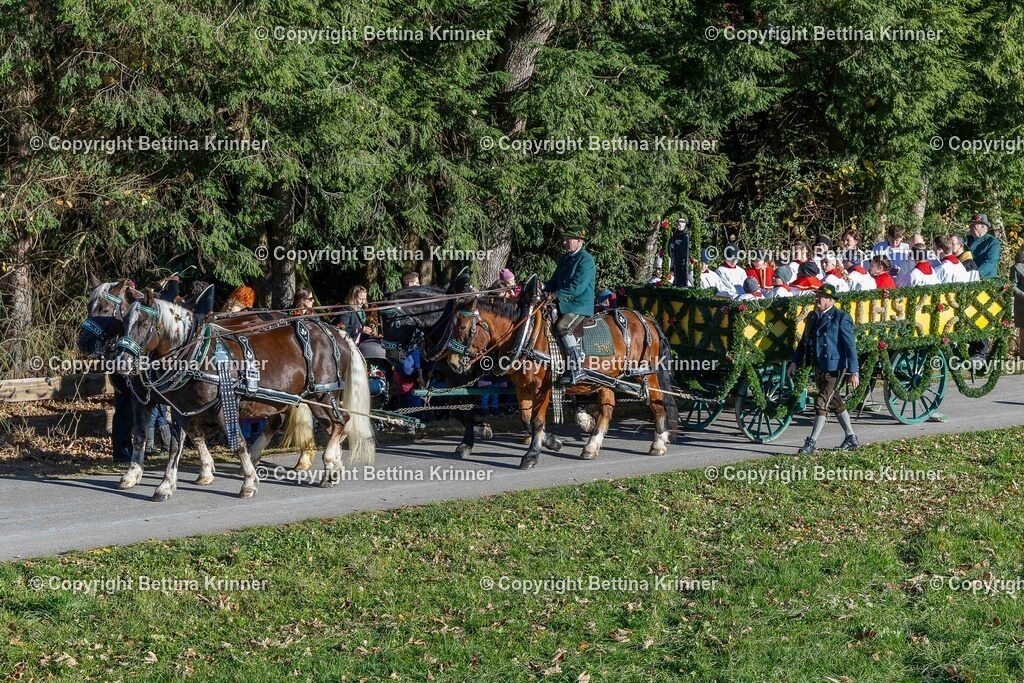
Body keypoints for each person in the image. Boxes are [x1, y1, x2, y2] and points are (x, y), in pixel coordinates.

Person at [789, 283, 861, 454]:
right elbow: (803, 341)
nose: (817, 299)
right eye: (816, 296)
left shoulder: (841, 318)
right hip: (819, 365)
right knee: (835, 402)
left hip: (834, 368)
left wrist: (854, 372)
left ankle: (811, 443)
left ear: (830, 300)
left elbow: (850, 346)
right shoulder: (813, 316)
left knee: (821, 402)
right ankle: (851, 437)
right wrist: (795, 362)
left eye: (820, 296)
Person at [545, 228, 596, 384]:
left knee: (562, 327)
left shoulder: (586, 260)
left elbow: (577, 287)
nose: (565, 242)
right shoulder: (564, 259)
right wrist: (543, 288)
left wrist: (556, 295)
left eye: (569, 239)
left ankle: (576, 367)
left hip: (579, 304)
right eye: (565, 239)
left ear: (579, 241)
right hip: (563, 302)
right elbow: (554, 280)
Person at [966, 213, 1001, 279]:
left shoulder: (992, 242)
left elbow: (991, 262)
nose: (970, 227)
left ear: (983, 226)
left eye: (974, 224)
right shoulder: (967, 239)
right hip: (967, 277)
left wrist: (976, 275)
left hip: (985, 280)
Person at [668, 218, 691, 287]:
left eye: (679, 224)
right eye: (677, 224)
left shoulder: (686, 235)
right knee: (676, 273)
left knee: (682, 274)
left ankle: (683, 284)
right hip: (676, 257)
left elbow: (687, 247)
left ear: (684, 224)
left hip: (683, 259)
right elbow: (671, 244)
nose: (678, 226)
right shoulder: (675, 234)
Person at [1013, 248, 1024, 359]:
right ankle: (1023, 354)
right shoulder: (1017, 267)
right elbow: (1013, 286)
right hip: (1022, 303)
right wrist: (1022, 294)